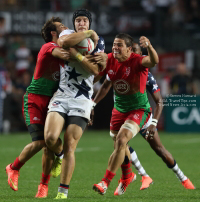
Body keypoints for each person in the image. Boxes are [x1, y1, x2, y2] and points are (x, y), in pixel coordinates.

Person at [92, 42, 195, 194]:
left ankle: (182, 177)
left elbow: (159, 100)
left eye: (137, 52)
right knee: (120, 144)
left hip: (141, 115)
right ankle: (133, 176)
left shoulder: (144, 73)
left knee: (158, 149)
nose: (134, 55)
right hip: (121, 114)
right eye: (132, 51)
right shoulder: (116, 65)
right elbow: (105, 83)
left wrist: (153, 123)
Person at [44, 9, 107, 199]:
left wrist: (78, 57)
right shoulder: (67, 34)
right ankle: (59, 154)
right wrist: (88, 34)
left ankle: (62, 192)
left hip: (82, 98)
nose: (81, 23)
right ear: (74, 23)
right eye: (78, 21)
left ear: (90, 22)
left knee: (71, 143)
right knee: (50, 138)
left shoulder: (100, 42)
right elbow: (63, 43)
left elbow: (96, 70)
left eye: (85, 21)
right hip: (62, 95)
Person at [5, 17, 70, 198]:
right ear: (53, 33)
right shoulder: (48, 47)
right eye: (62, 27)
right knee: (41, 142)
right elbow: (64, 55)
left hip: (53, 100)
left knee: (49, 143)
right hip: (35, 99)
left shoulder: (63, 49)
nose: (66, 29)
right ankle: (13, 167)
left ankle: (43, 186)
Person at [91, 33, 159, 195]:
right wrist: (91, 103)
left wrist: (149, 46)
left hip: (138, 109)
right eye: (114, 44)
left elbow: (154, 61)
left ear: (129, 49)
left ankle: (105, 182)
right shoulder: (109, 59)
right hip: (119, 110)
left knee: (121, 140)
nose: (115, 47)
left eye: (119, 45)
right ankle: (127, 175)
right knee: (119, 144)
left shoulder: (137, 60)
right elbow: (104, 83)